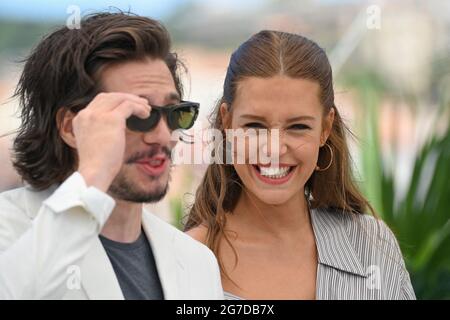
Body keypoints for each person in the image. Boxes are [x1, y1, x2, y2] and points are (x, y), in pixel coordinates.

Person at [0, 12, 223, 300]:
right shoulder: (10, 226)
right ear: (70, 128)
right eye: (135, 114)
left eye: (175, 113)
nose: (163, 135)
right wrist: (92, 176)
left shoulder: (196, 261)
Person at [185, 30, 416, 300]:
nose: (274, 149)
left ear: (325, 128)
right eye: (255, 126)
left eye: (298, 127)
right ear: (227, 123)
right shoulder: (185, 261)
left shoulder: (372, 244)